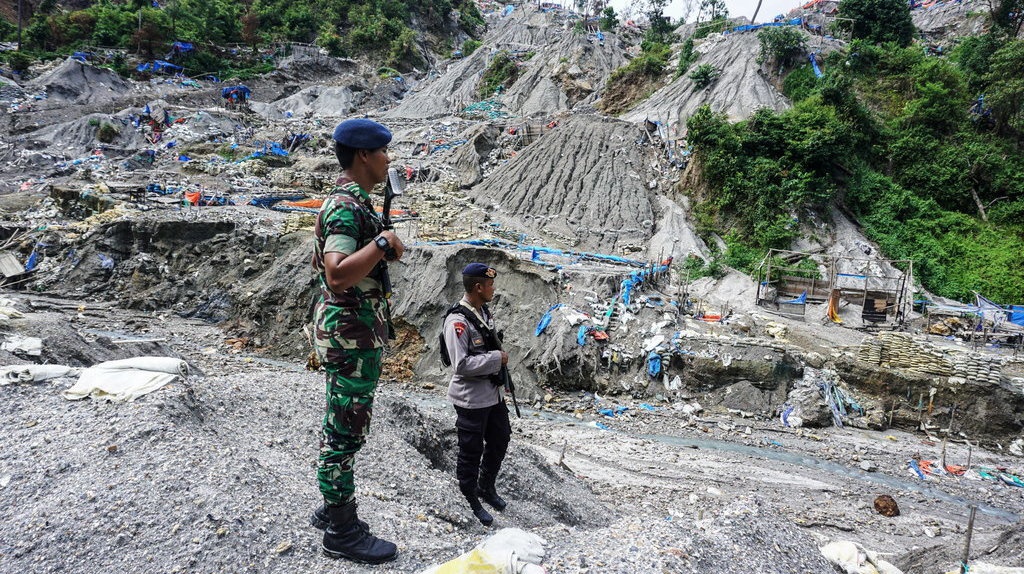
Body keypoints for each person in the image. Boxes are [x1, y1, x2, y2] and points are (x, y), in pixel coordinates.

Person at [308, 117, 404, 564]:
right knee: (345, 431)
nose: (388, 159)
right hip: (351, 336)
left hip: (352, 333)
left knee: (342, 423)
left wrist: (381, 242)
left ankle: (332, 509)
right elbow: (337, 273)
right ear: (364, 155)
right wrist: (382, 243)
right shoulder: (346, 206)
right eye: (382, 151)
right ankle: (341, 531)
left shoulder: (355, 202)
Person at [442, 263, 513, 526]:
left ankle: (486, 486)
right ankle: (468, 495)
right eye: (490, 285)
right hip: (471, 399)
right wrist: (496, 359)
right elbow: (460, 365)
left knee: (500, 438)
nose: (494, 289)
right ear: (478, 287)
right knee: (470, 450)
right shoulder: (457, 321)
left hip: (492, 394)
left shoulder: (483, 312)